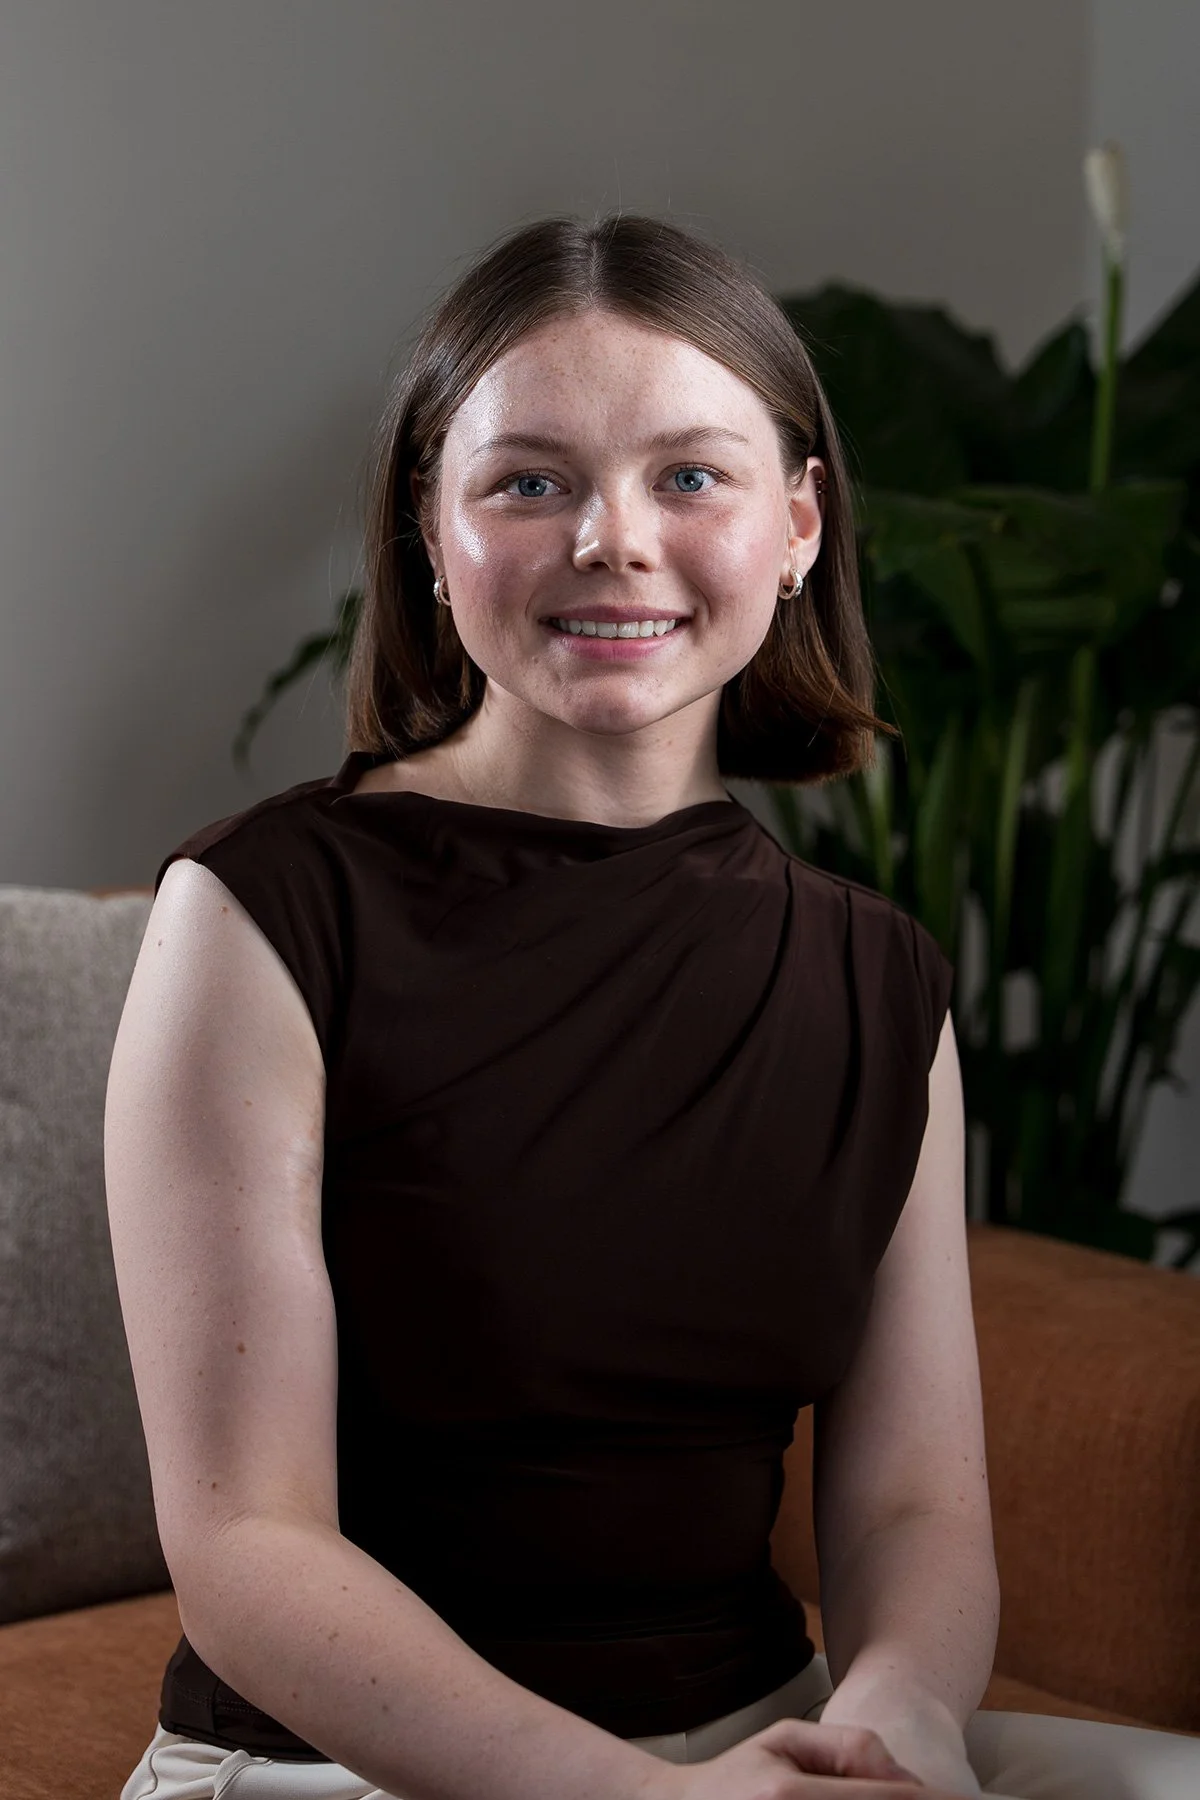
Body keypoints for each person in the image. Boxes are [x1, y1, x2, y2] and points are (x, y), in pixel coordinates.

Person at [105, 213, 1200, 1800]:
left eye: (690, 476)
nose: (612, 539)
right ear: (431, 529)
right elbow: (247, 1551)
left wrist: (896, 1722)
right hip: (340, 1769)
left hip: (764, 1738)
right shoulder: (260, 911)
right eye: (528, 482)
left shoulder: (879, 975)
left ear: (798, 525)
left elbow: (914, 1514)